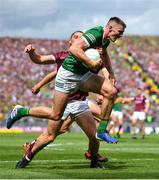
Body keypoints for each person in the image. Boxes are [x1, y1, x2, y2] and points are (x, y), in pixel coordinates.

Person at [7, 17, 126, 144]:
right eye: (119, 32)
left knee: (111, 91)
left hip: (82, 76)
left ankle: (101, 131)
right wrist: (91, 63)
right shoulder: (96, 33)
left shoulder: (105, 40)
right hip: (68, 75)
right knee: (55, 115)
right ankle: (21, 111)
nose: (121, 35)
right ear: (110, 28)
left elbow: (105, 54)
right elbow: (74, 49)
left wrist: (111, 73)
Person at [15, 31, 106, 169]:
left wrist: (103, 90)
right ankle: (26, 158)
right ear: (70, 42)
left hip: (81, 103)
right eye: (75, 36)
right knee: (50, 136)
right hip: (64, 103)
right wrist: (32, 54)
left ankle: (94, 160)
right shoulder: (64, 56)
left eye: (81, 37)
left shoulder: (89, 57)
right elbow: (43, 63)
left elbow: (99, 77)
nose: (79, 38)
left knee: (94, 135)